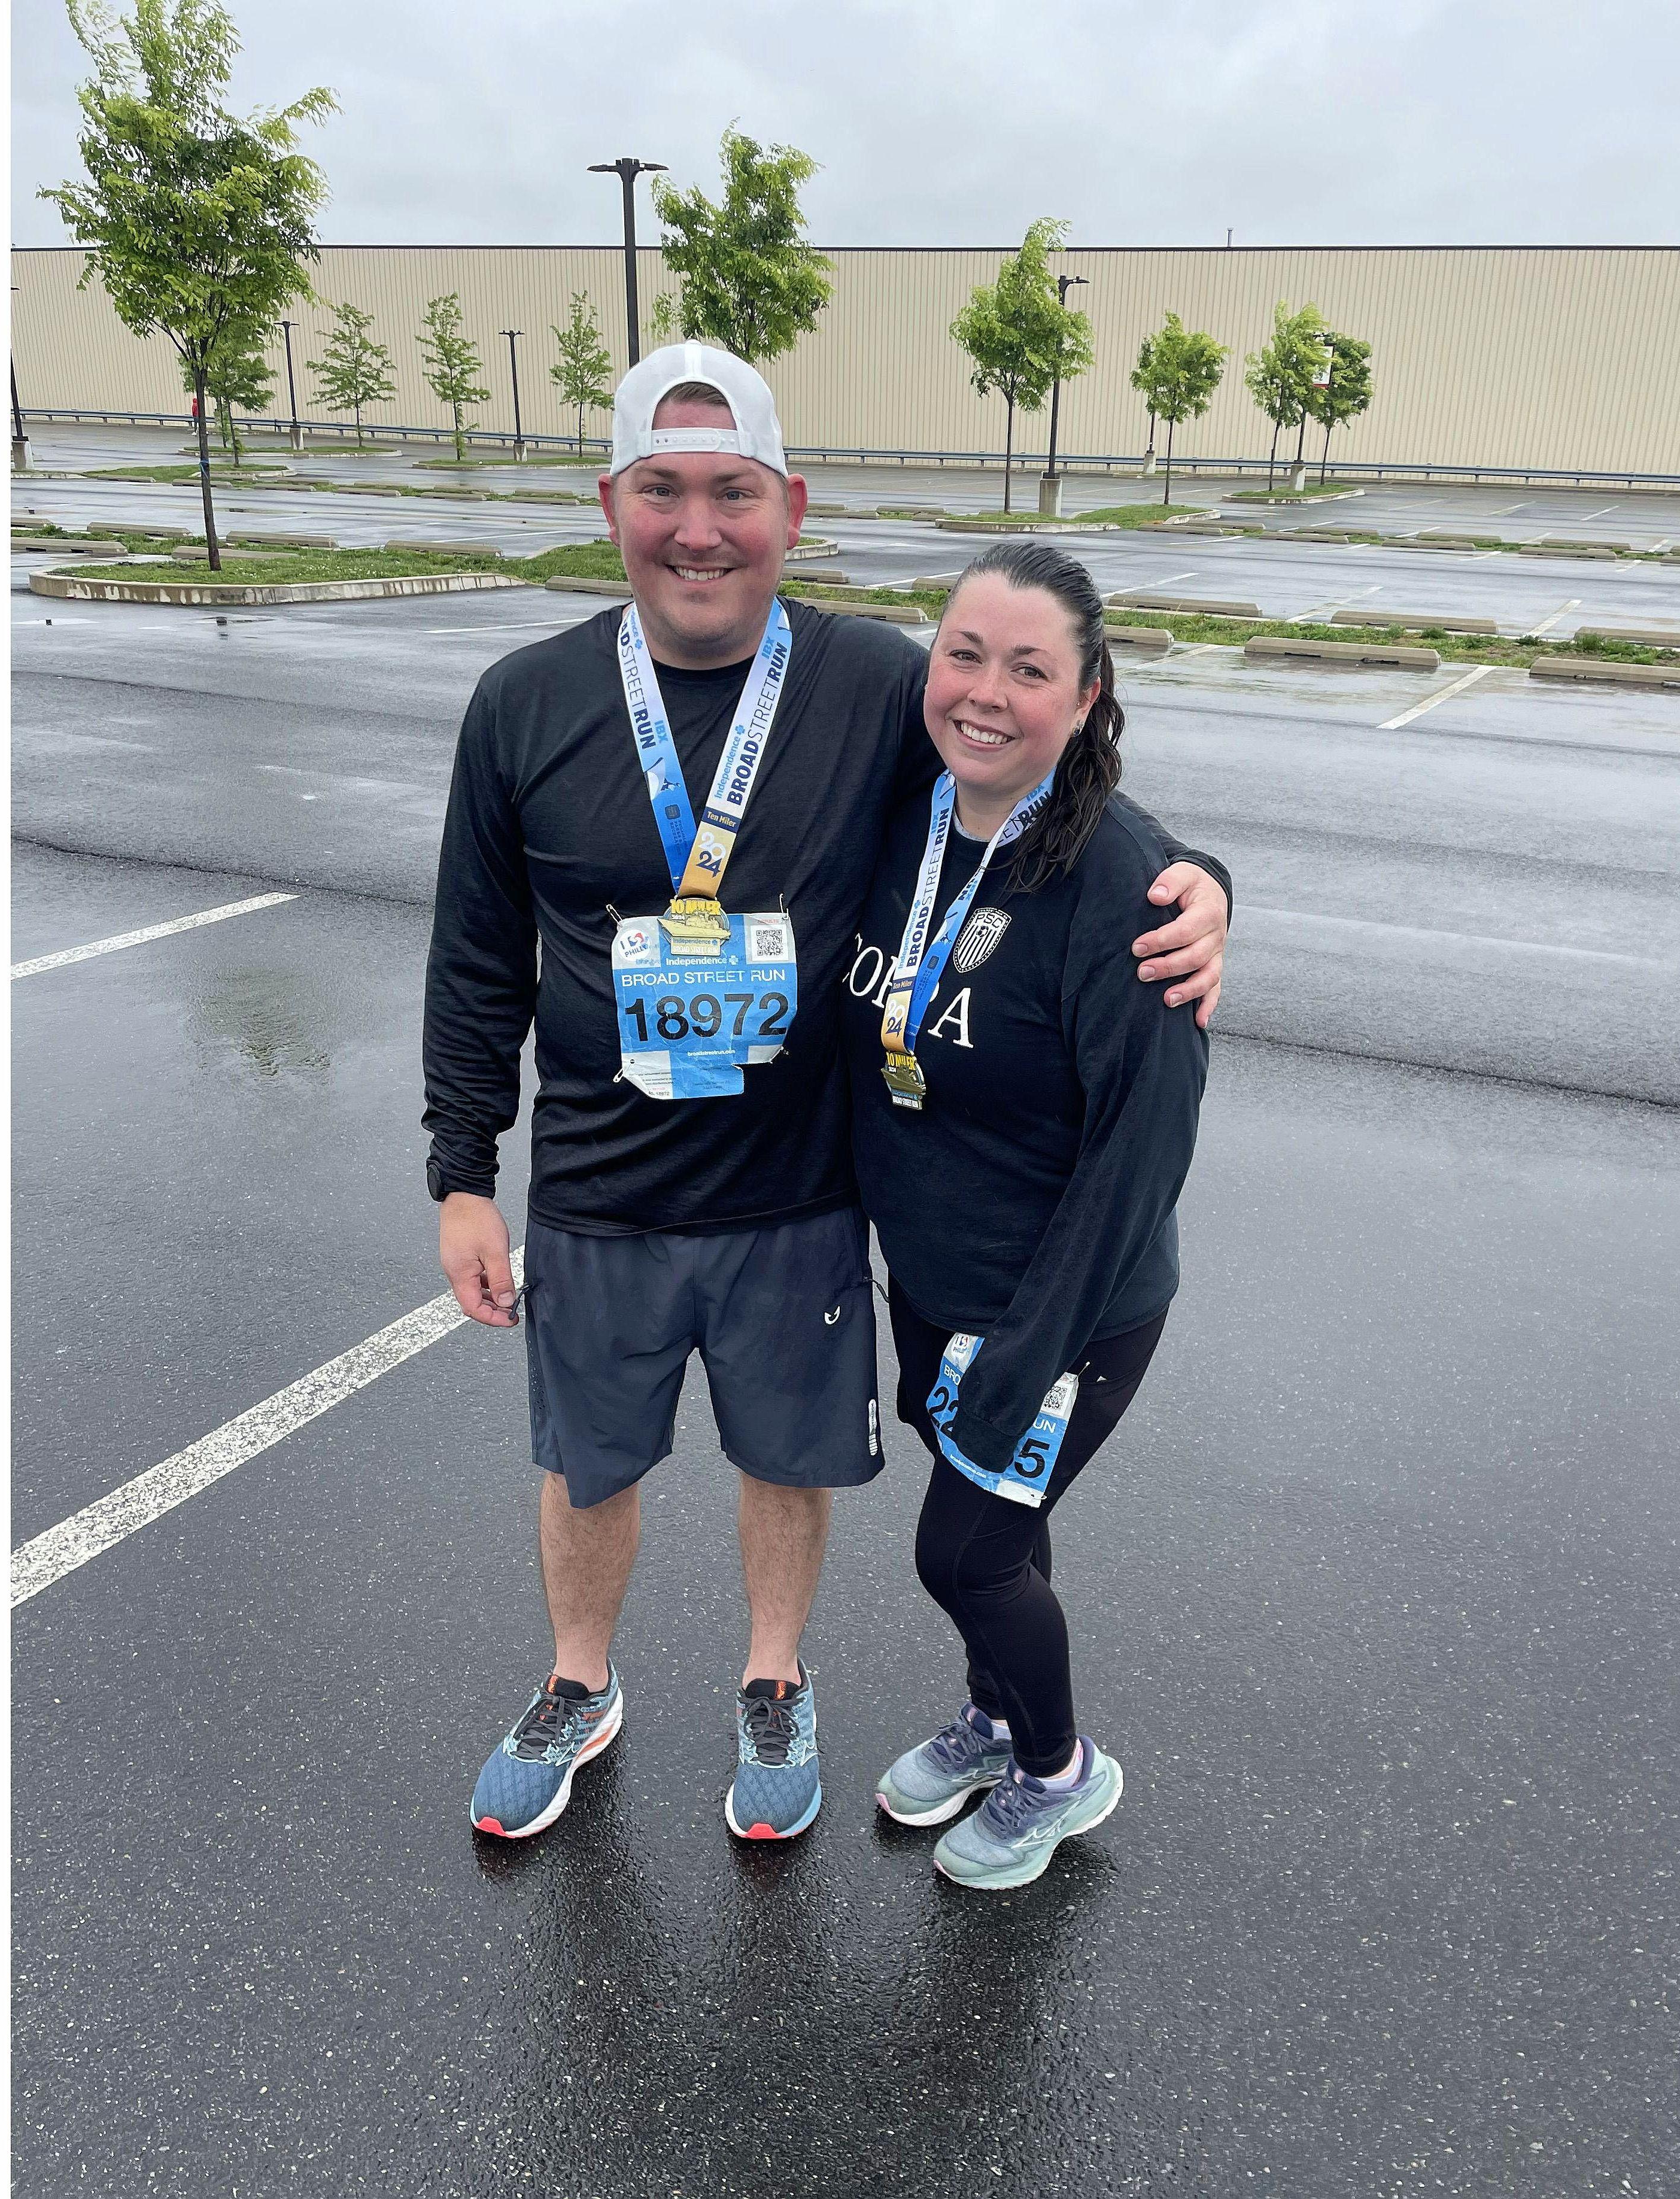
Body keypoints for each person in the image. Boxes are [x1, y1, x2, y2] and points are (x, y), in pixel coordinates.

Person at [421, 344, 1229, 1846]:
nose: (698, 529)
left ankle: (774, 1682)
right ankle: (577, 1683)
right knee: (586, 1464)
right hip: (594, 1185)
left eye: (732, 492)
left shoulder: (870, 683)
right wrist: (462, 1170)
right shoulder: (521, 703)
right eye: (662, 490)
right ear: (609, 503)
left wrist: (1198, 881)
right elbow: (473, 955)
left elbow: (1039, 783)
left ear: (789, 510)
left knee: (785, 1461)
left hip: (798, 1189)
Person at [844, 543, 1210, 1890]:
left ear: (1089, 693)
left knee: (967, 1550)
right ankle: (996, 1716)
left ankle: (1058, 1769)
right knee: (1002, 1533)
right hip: (936, 1280)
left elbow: (1139, 1160)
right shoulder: (909, 814)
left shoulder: (1125, 886)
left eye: (1029, 668)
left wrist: (1023, 1357)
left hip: (1069, 1307)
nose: (985, 693)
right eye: (963, 653)